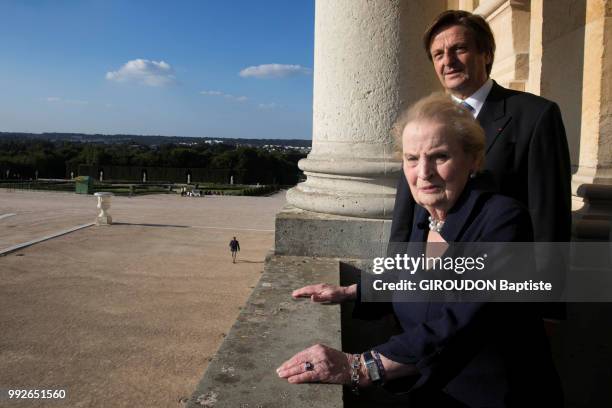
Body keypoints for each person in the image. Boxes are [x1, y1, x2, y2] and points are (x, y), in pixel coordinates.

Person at [277, 94, 562, 407]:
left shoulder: (504, 221)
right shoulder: (426, 218)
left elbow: (462, 318)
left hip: (497, 397)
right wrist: (351, 290)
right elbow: (413, 280)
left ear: (473, 160)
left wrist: (361, 366)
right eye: (412, 158)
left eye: (439, 156)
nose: (423, 171)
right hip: (434, 393)